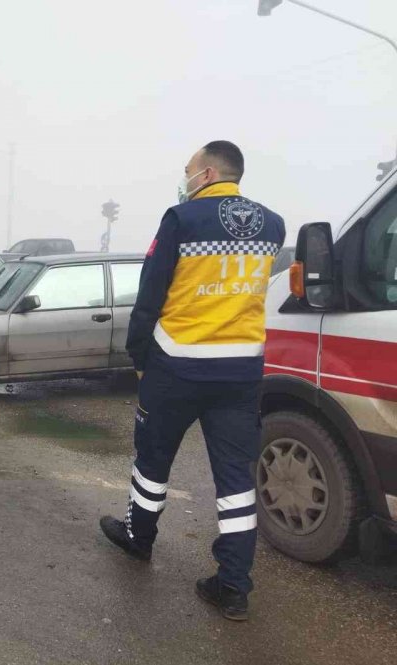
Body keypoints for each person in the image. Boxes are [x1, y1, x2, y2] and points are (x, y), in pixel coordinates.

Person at [99, 141, 286, 622]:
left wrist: (139, 355)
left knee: (153, 461)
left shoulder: (181, 219)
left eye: (187, 170)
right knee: (236, 480)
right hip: (240, 372)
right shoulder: (273, 225)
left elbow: (151, 290)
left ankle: (139, 539)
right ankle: (233, 585)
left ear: (206, 174)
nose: (184, 178)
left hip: (176, 366)